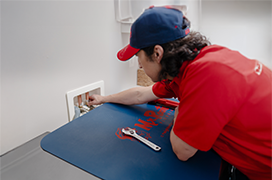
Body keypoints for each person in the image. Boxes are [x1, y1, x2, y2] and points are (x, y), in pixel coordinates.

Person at [88, 6, 272, 180]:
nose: (140, 65)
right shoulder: (190, 66)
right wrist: (104, 98)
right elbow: (141, 94)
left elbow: (182, 150)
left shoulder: (205, 74)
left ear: (157, 53)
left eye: (139, 57)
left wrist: (180, 112)